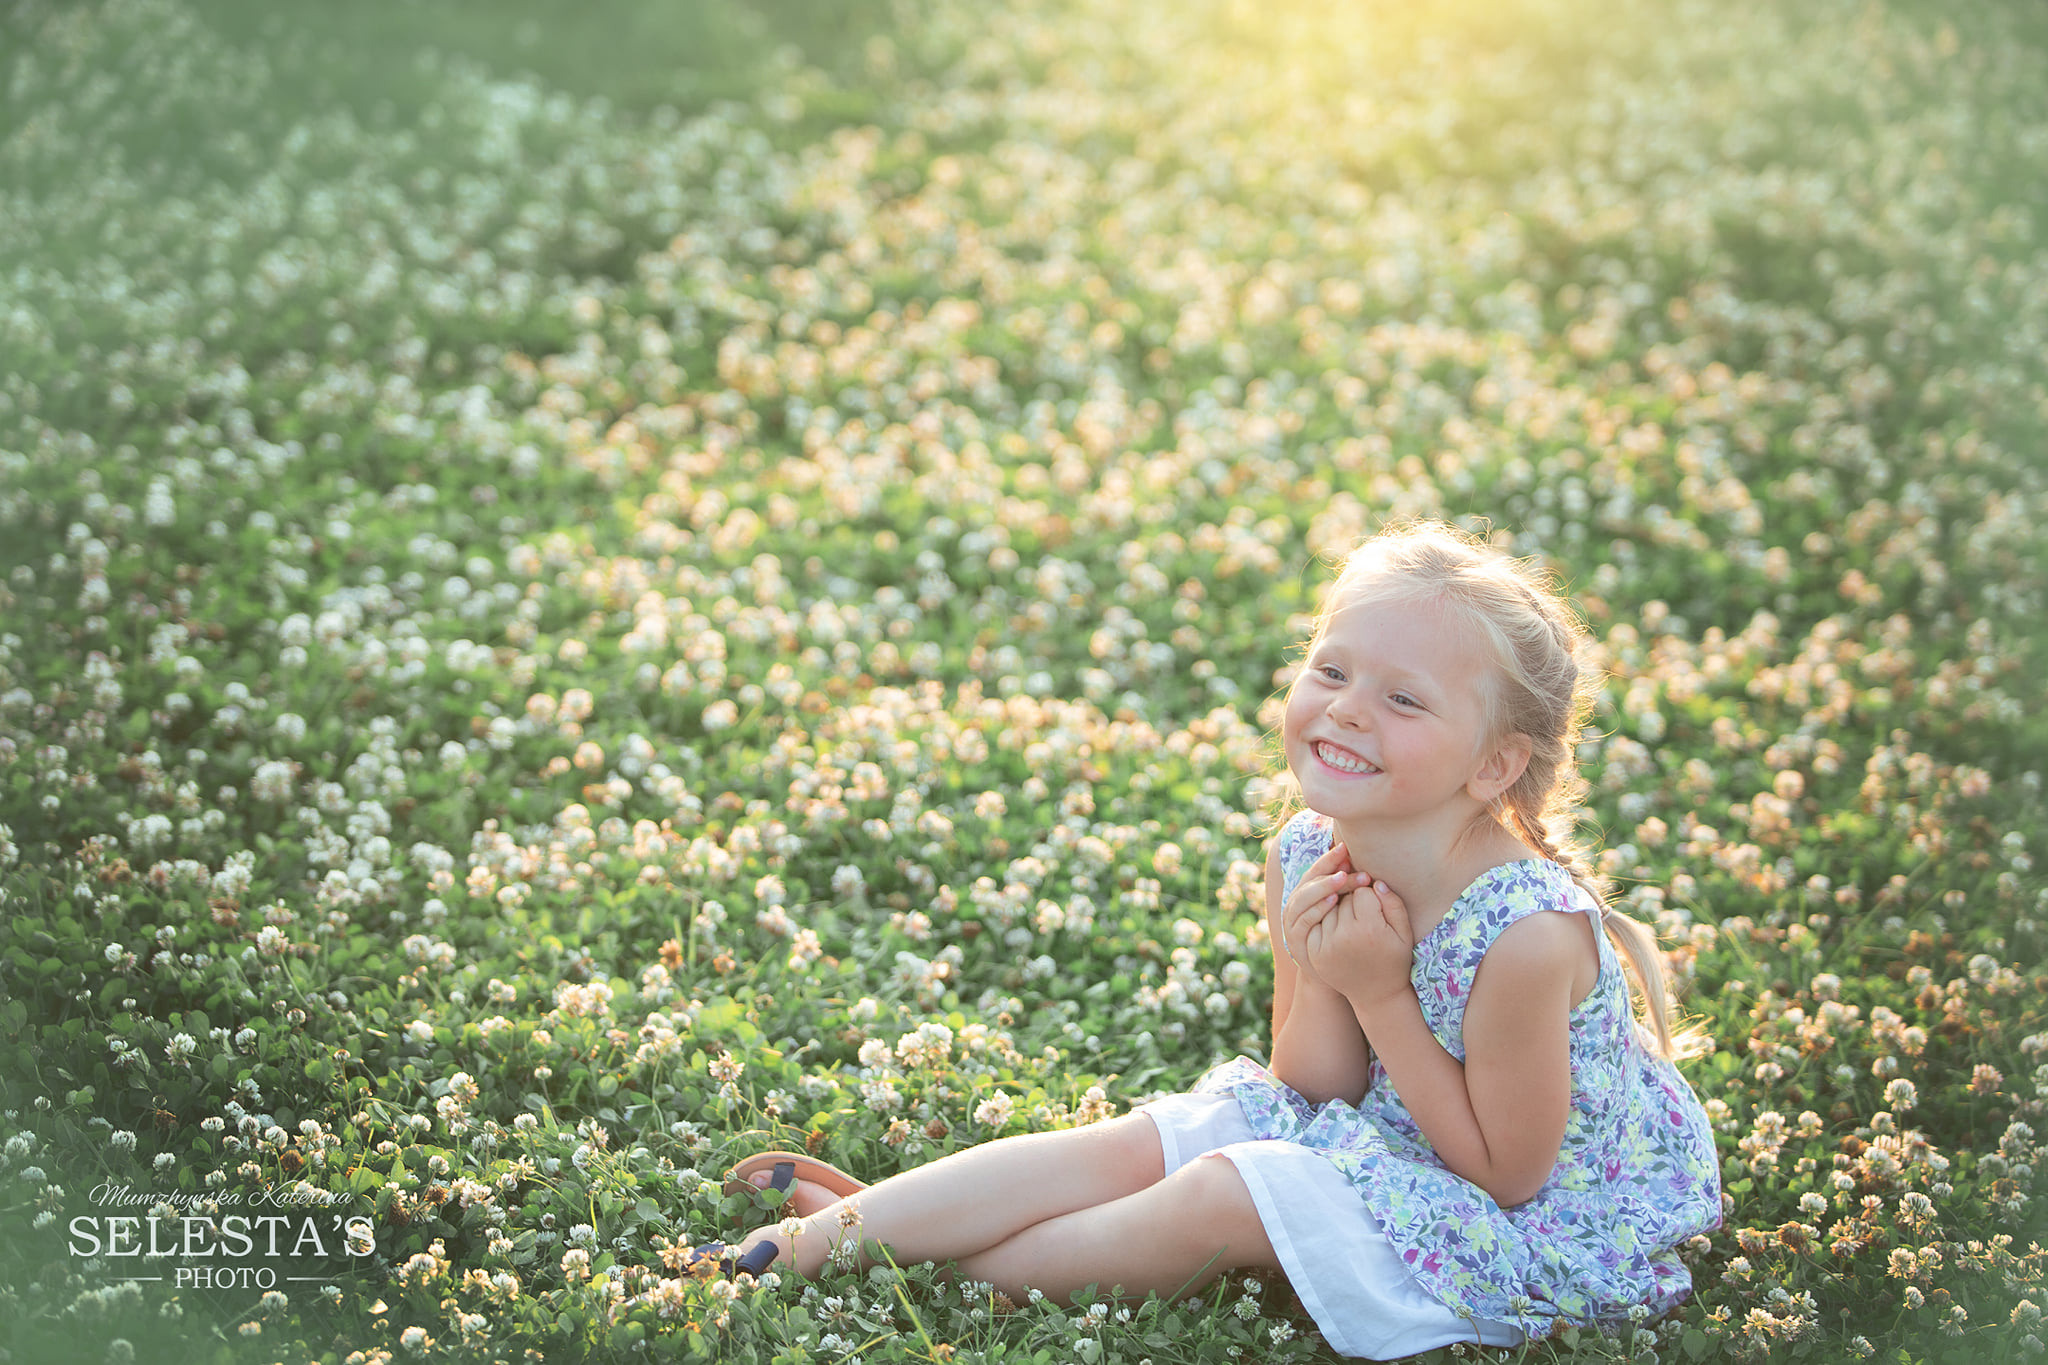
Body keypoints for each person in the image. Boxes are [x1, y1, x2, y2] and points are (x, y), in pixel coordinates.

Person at [695, 519, 1722, 1359]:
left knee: (1229, 1190)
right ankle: (823, 1237)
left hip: (1532, 1224)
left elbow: (1506, 1174)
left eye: (1401, 699)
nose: (1347, 711)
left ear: (1495, 765)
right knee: (1154, 1140)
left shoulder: (1525, 934)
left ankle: (925, 1257)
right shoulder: (1309, 849)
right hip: (1383, 1139)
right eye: (1330, 671)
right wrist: (1329, 968)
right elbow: (1309, 1089)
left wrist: (1377, 995)